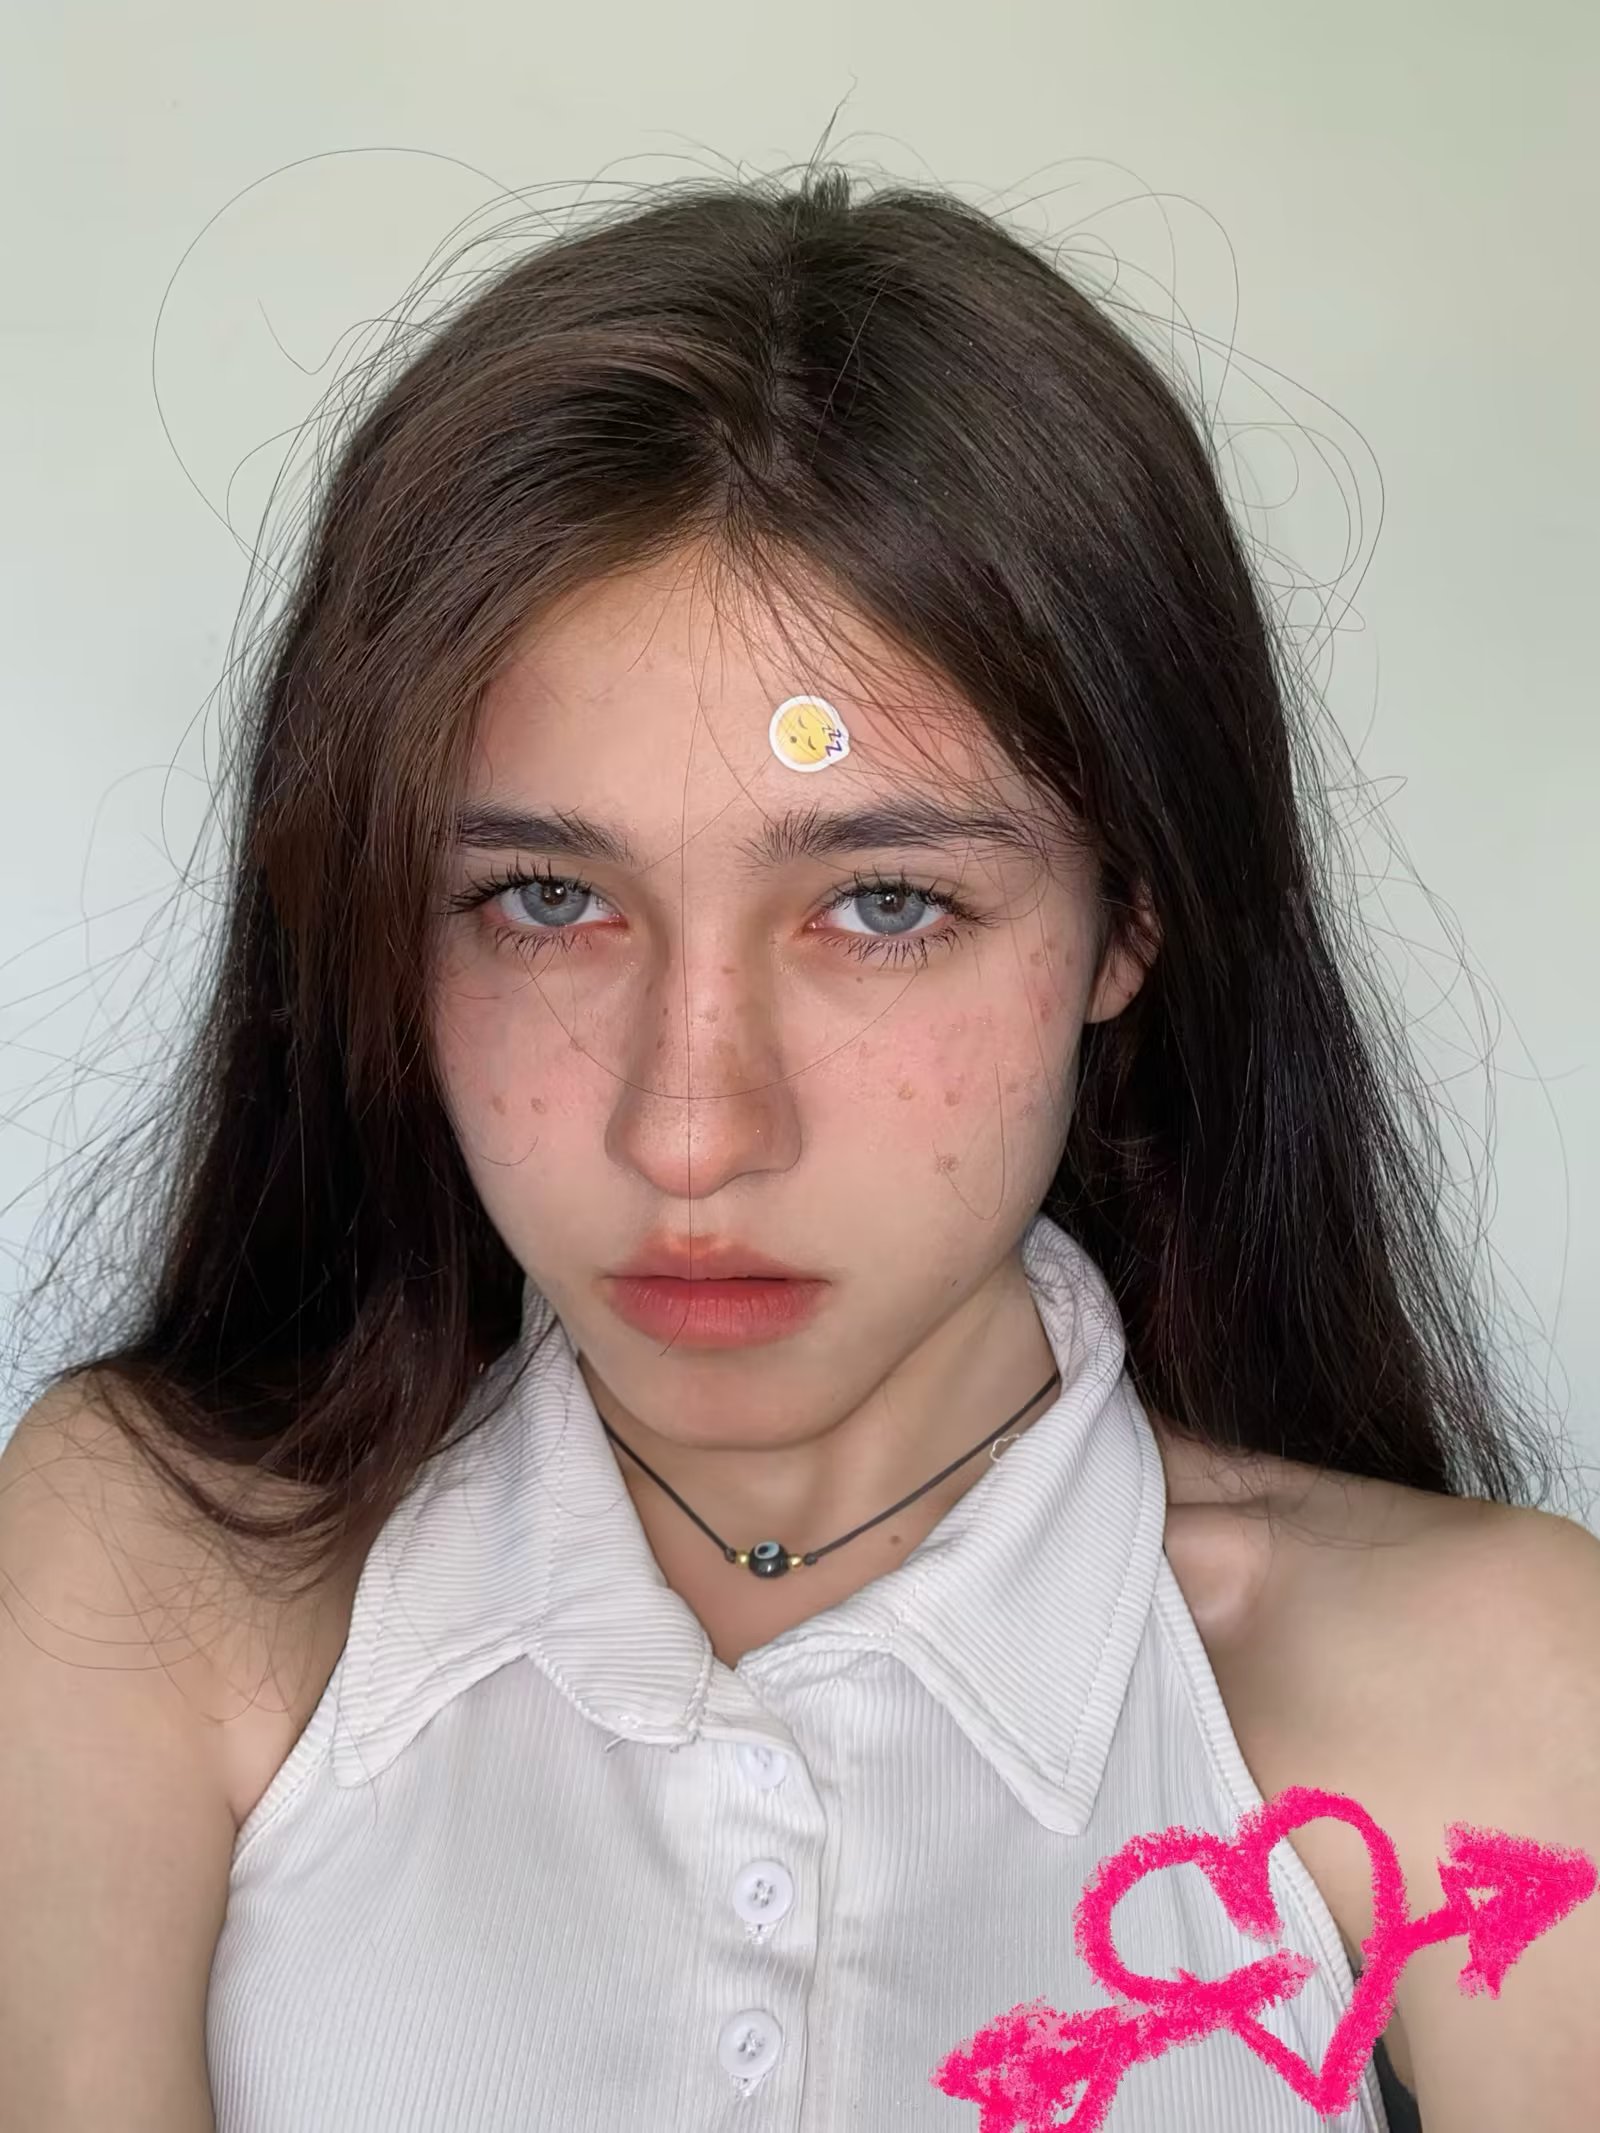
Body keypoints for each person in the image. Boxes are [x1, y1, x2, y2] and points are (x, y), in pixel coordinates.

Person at [2, 160, 1596, 2133]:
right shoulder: (166, 1568)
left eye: (884, 904)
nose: (687, 1125)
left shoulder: (1484, 1693)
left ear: (1130, 917)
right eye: (542, 900)